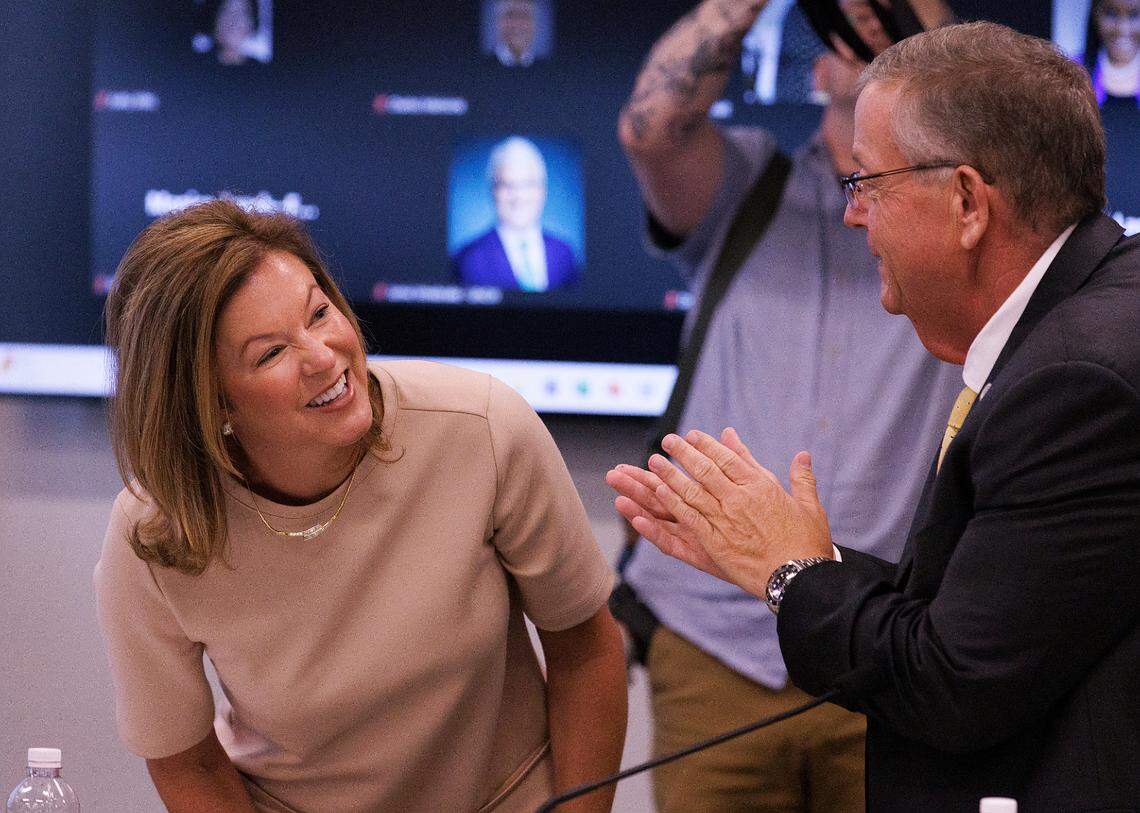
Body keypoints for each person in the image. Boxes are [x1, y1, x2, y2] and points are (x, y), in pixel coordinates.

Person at [609, 20, 1140, 812]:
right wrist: (781, 552)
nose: (853, 216)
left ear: (965, 201)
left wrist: (788, 574)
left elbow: (955, 681)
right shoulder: (1094, 309)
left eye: (867, 184)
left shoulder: (1072, 380)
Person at [94, 200, 626, 812]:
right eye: (270, 353)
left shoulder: (480, 427)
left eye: (319, 313)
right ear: (210, 404)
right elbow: (185, 760)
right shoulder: (158, 532)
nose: (325, 356)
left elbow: (585, 650)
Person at [613, 1, 958, 810]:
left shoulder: (964, 212)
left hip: (887, 637)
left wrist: (913, 71)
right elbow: (651, 128)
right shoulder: (747, 185)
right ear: (816, 68)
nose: (869, 23)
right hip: (715, 637)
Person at [453, 136, 579, 292]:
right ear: (493, 191)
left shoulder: (564, 254)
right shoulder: (468, 260)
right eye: (507, 185)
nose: (518, 196)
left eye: (527, 184)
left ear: (542, 191)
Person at [1083, 0, 1140, 106]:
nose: (1122, 28)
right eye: (1111, 13)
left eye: (1134, 15)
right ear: (1095, 14)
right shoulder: (1072, 71)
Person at [491, 0, 540, 67]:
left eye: (524, 16)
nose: (517, 24)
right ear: (497, 22)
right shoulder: (478, 67)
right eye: (510, 16)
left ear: (534, 24)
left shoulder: (549, 69)